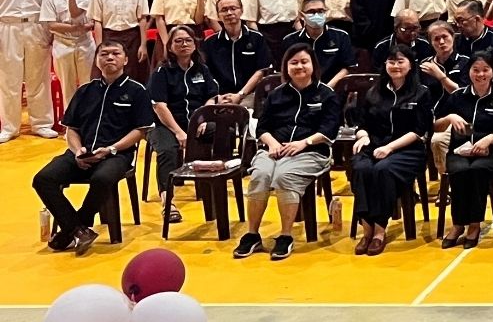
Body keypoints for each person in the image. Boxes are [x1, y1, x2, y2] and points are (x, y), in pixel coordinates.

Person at [33, 41, 149, 254]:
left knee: (102, 179)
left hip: (117, 155)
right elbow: (72, 128)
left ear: (125, 59)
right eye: (104, 54)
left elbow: (140, 131)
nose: (110, 58)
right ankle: (78, 229)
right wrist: (77, 151)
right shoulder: (85, 91)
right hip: (82, 153)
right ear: (96, 60)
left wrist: (111, 149)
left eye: (115, 53)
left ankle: (75, 226)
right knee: (43, 179)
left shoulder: (136, 91)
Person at [236, 44, 343, 261]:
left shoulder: (326, 94)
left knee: (284, 176)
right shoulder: (276, 95)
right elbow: (262, 127)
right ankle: (252, 234)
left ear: (313, 65)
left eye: (304, 62)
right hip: (274, 149)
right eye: (293, 62)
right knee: (261, 175)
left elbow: (330, 130)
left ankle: (285, 236)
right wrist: (273, 144)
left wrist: (303, 143)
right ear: (286, 67)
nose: (299, 66)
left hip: (312, 151)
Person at [348, 47, 433, 256]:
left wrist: (390, 148)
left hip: (408, 150)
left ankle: (379, 231)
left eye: (400, 61)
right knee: (360, 168)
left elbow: (419, 131)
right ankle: (366, 229)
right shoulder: (373, 92)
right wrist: (363, 136)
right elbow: (361, 124)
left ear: (410, 65)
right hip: (375, 145)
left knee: (382, 170)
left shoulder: (421, 92)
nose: (395, 66)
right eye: (391, 62)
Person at [433, 51, 493, 249]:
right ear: (469, 72)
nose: (480, 74)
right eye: (476, 70)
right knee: (460, 170)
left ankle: (474, 224)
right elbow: (435, 126)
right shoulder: (457, 96)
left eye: (485, 70)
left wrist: (490, 139)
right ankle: (458, 225)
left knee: (477, 170)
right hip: (459, 150)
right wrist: (449, 118)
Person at [146, 24, 220, 223]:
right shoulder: (161, 71)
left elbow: (211, 97)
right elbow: (159, 106)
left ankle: (213, 187)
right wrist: (179, 132)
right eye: (178, 41)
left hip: (195, 123)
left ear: (195, 45)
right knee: (167, 151)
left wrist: (203, 118)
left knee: (223, 132)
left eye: (188, 40)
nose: (184, 44)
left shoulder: (202, 69)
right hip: (164, 124)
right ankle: (167, 201)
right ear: (170, 46)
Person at [0, 0, 57, 142]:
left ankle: (42, 123)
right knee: (8, 80)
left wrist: (51, 28)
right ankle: (9, 127)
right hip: (7, 27)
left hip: (37, 26)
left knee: (39, 78)